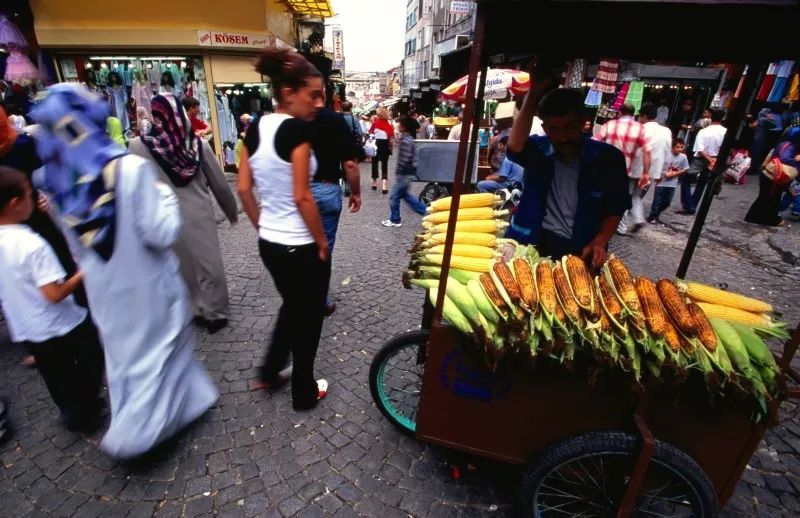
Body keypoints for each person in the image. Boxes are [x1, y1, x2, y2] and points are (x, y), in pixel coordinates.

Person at [30, 83, 219, 458]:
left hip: (103, 284)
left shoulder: (52, 180)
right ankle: (138, 435)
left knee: (126, 358)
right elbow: (161, 231)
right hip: (146, 279)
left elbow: (72, 244)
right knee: (159, 348)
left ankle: (186, 404)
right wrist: (165, 195)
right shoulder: (128, 169)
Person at [236, 48, 330, 411]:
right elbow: (303, 196)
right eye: (313, 94)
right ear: (289, 92)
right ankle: (304, 394)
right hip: (301, 245)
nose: (319, 103)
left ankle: (271, 369)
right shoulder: (297, 131)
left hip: (271, 244)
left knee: (293, 306)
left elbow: (244, 188)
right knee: (307, 322)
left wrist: (263, 225)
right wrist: (322, 243)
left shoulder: (255, 127)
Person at [0, 167, 105, 432]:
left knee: (54, 374)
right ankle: (85, 409)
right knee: (92, 355)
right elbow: (55, 293)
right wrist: (85, 271)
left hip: (27, 326)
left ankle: (71, 411)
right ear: (15, 204)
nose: (36, 199)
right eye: (29, 195)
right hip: (59, 323)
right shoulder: (31, 244)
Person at [128, 93, 238, 333]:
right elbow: (219, 182)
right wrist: (231, 210)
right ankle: (215, 312)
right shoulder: (197, 145)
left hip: (163, 216)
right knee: (209, 265)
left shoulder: (139, 146)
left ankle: (195, 309)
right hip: (198, 214)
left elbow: (133, 186)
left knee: (182, 264)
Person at [506, 74, 631, 268]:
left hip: (582, 249)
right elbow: (514, 145)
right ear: (545, 127)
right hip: (534, 242)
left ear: (583, 123)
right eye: (554, 129)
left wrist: (601, 239)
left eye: (569, 127)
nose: (563, 137)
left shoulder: (608, 159)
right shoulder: (539, 151)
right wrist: (534, 92)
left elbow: (615, 208)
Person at [309, 102, 362, 316]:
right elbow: (349, 163)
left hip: (296, 189)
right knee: (323, 248)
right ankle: (318, 300)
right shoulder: (335, 120)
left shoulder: (291, 117)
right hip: (326, 188)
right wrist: (356, 192)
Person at [595, 102, 651, 234]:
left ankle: (599, 222)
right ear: (633, 114)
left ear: (620, 112)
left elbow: (595, 141)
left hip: (606, 168)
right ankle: (621, 227)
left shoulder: (610, 124)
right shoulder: (640, 128)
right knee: (623, 197)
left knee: (602, 194)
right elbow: (647, 152)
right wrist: (646, 173)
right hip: (626, 170)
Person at [745, 127, 800, 226]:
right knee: (771, 198)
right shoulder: (790, 146)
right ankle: (770, 219)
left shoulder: (785, 144)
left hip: (770, 173)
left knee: (766, 197)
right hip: (774, 175)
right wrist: (796, 160)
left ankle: (753, 217)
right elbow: (785, 159)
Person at [381, 116, 427, 227]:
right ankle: (426, 213)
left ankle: (395, 219)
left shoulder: (406, 140)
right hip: (407, 173)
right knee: (406, 196)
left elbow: (405, 159)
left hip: (404, 173)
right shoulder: (407, 138)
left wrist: (399, 171)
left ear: (404, 126)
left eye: (400, 123)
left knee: (394, 196)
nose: (398, 125)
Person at [679, 108, 727, 215]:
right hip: (715, 158)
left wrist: (709, 159)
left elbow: (700, 149)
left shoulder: (704, 131)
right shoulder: (725, 132)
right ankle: (692, 205)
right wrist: (713, 160)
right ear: (722, 118)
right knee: (702, 182)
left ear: (711, 117)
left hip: (701, 158)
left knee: (686, 179)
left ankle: (690, 205)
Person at [648, 138, 689, 223]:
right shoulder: (666, 155)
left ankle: (656, 214)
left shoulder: (683, 157)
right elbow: (657, 166)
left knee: (667, 202)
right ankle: (652, 217)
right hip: (661, 182)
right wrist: (664, 173)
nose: (680, 149)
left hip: (672, 183)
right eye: (677, 147)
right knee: (657, 200)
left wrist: (676, 173)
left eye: (681, 147)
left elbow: (685, 168)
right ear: (672, 147)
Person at [370, 107, 394, 194]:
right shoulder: (389, 125)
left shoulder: (374, 123)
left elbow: (371, 134)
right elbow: (391, 139)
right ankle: (384, 185)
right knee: (384, 165)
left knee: (374, 163)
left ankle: (374, 183)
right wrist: (390, 147)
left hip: (376, 145)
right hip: (385, 145)